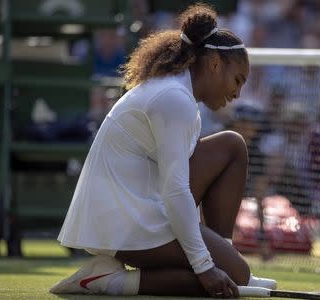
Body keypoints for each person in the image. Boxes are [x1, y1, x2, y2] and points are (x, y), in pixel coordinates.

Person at [49, 3, 276, 298]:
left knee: (231, 146)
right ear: (215, 64)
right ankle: (107, 280)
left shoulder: (180, 94)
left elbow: (177, 185)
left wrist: (215, 257)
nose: (237, 93)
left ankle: (227, 261)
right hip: (120, 223)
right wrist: (205, 266)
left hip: (138, 206)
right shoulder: (174, 98)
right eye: (237, 80)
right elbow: (176, 191)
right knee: (233, 274)